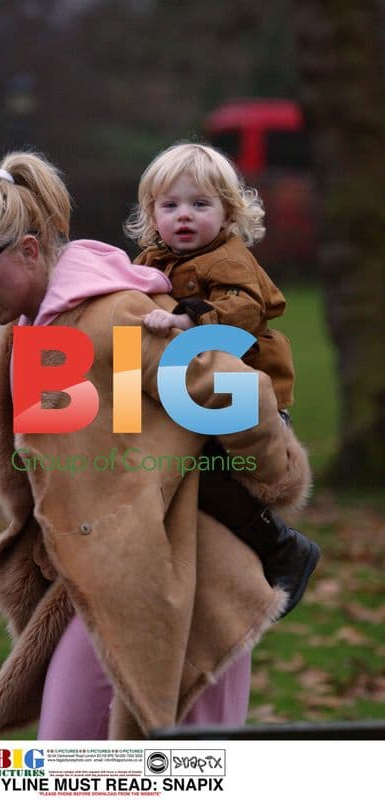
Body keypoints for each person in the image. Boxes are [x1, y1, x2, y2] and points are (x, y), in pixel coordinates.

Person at [0, 151, 311, 740]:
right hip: (115, 582)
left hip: (193, 591)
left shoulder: (113, 315)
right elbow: (114, 446)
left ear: (29, 251)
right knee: (69, 761)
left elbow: (238, 392)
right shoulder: (37, 329)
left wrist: (271, 481)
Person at [125, 142, 320, 615]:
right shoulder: (153, 261)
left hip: (247, 394)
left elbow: (243, 310)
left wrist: (187, 319)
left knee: (208, 476)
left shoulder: (226, 260)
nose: (184, 216)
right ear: (152, 215)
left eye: (200, 204)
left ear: (228, 214)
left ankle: (281, 547)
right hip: (194, 392)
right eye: (170, 205)